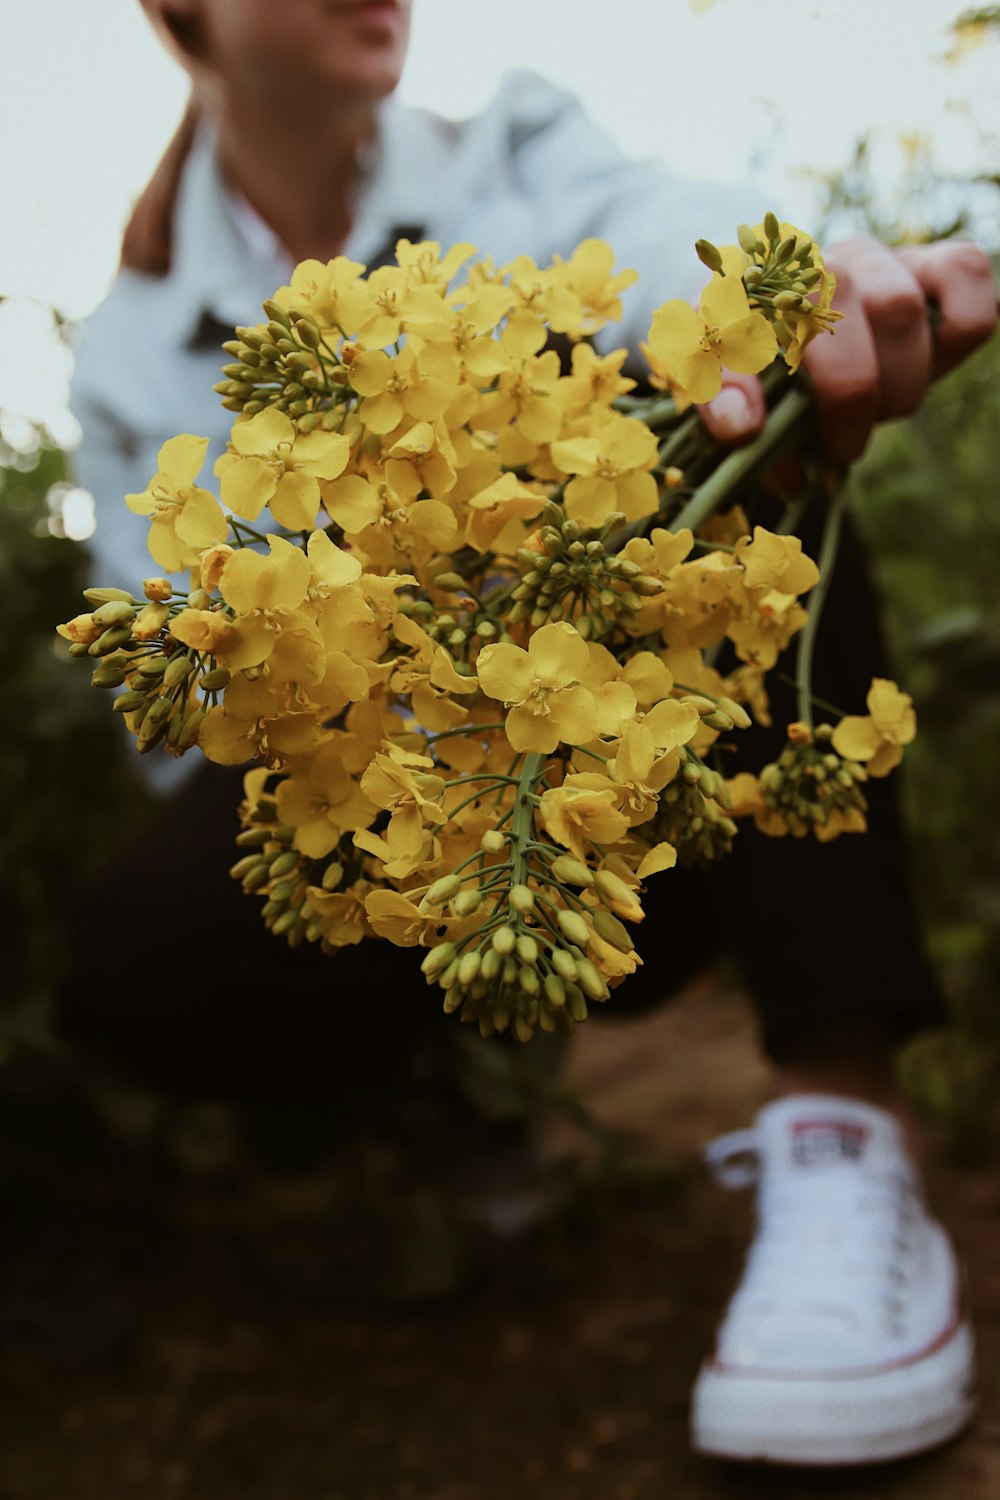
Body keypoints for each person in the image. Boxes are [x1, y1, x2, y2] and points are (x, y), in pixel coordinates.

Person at [64, 0, 997, 1468]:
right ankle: (438, 1111)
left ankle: (843, 1133)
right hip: (397, 788)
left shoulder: (510, 138)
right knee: (138, 955)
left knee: (739, 450)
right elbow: (186, 701)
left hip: (626, 758)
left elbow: (653, 232)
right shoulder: (129, 347)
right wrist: (404, 677)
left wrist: (798, 290)